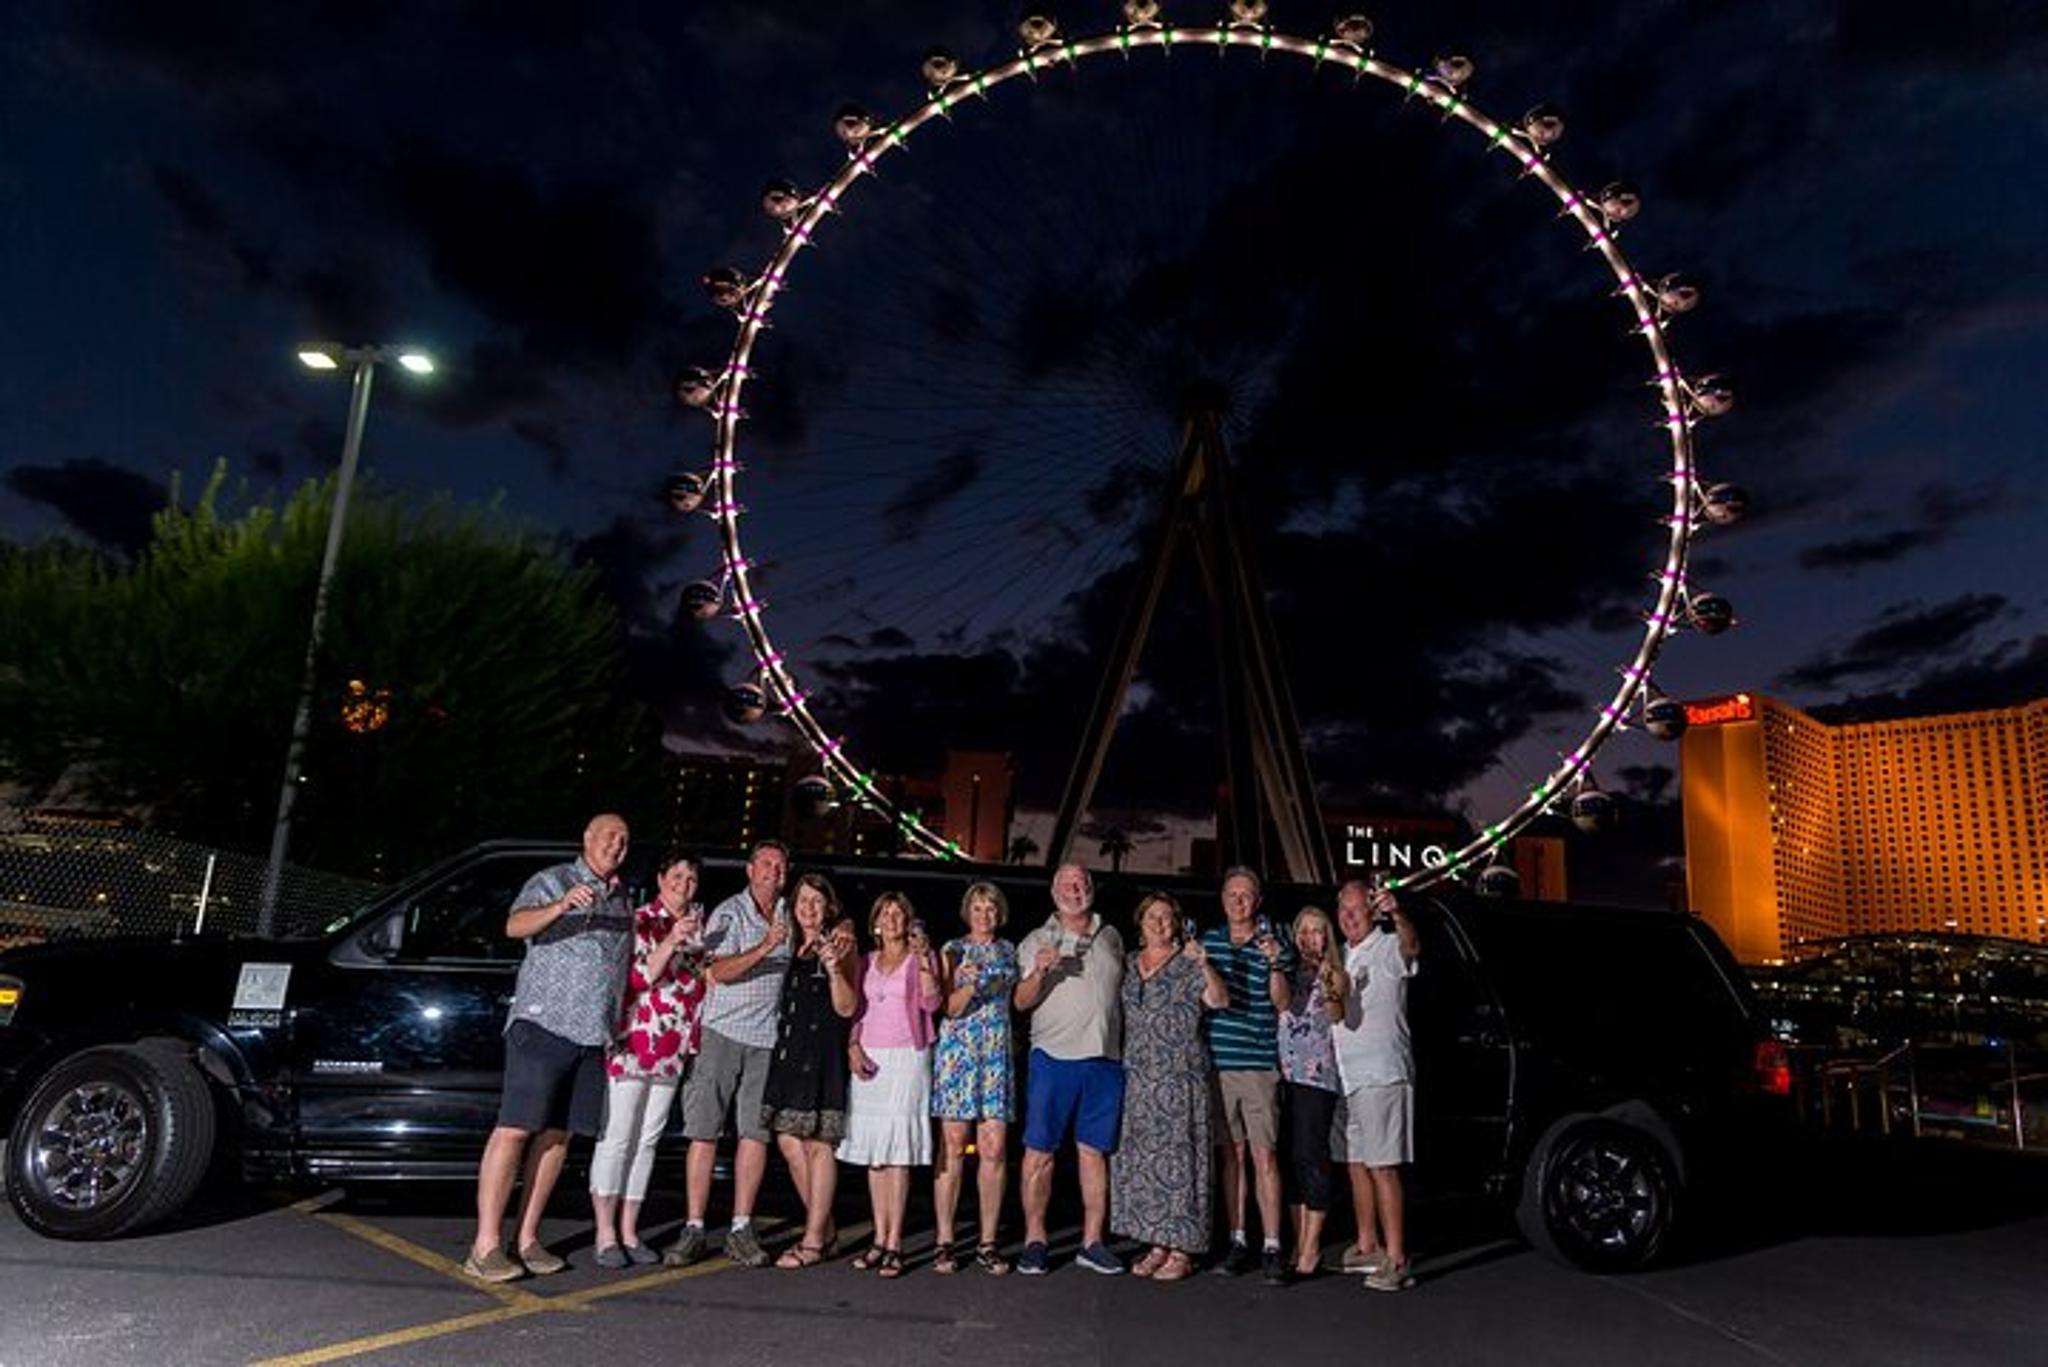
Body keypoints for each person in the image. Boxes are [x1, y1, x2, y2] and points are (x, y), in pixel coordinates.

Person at [465, 813, 633, 1282]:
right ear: (586, 838)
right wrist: (561, 905)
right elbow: (514, 926)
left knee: (558, 1136)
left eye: (623, 840)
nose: (616, 845)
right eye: (608, 836)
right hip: (543, 1026)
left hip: (592, 1036)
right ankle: (484, 1246)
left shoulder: (622, 899)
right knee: (516, 1129)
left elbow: (620, 969)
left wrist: (614, 1026)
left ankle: (527, 1239)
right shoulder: (552, 880)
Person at [669, 839, 791, 1268]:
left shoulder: (790, 914)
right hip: (722, 1032)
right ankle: (694, 1227)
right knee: (705, 1130)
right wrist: (764, 947)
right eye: (765, 864)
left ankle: (741, 1227)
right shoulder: (729, 912)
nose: (773, 872)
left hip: (765, 1040)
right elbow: (715, 971)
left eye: (780, 866)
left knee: (754, 1135)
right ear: (750, 870)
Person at [589, 851, 708, 1269]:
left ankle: (629, 1228)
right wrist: (672, 940)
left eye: (691, 878)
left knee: (648, 1139)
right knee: (618, 1135)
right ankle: (604, 1232)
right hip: (636, 1039)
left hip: (673, 1046)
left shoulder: (699, 928)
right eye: (676, 875)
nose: (683, 884)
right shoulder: (641, 919)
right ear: (660, 879)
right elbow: (637, 978)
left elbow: (698, 987)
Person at [1013, 862, 1126, 1276]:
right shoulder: (1035, 940)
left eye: (1081, 883)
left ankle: (1092, 1242)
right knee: (1039, 1152)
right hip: (1053, 1058)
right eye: (1066, 883)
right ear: (1053, 891)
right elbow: (1021, 1002)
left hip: (1104, 1060)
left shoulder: (1110, 936)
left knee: (1094, 1152)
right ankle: (1035, 1239)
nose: (1074, 889)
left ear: (1091, 888)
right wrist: (1041, 971)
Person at [1113, 892, 1230, 1282]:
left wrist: (1205, 964)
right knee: (1145, 1160)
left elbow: (1219, 1000)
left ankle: (1182, 1247)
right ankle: (1156, 1242)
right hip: (1140, 1078)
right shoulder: (1129, 964)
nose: (1160, 924)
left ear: (1177, 924)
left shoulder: (1188, 962)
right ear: (1141, 923)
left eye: (1167, 918)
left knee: (1181, 1160)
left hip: (1180, 1074)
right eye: (1152, 917)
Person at [759, 872, 860, 1269]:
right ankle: (827, 1227)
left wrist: (834, 968)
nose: (809, 908)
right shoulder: (787, 942)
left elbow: (848, 1007)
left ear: (830, 908)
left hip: (823, 1052)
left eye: (818, 902)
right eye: (803, 900)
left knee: (819, 1144)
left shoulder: (841, 943)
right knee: (787, 1139)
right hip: (789, 1050)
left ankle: (814, 1238)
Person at [1200, 866, 1296, 1282]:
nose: (1239, 902)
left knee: (1265, 1155)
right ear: (1223, 899)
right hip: (1218, 1062)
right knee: (1231, 1154)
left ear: (1257, 901)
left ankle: (1273, 1243)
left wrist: (1275, 963)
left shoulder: (1276, 942)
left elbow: (1282, 1002)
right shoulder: (1209, 941)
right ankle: (1238, 1239)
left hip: (1258, 1064)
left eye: (1246, 895)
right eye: (1232, 894)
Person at [840, 891, 943, 1277]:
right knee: (875, 1153)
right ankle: (879, 1237)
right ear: (877, 923)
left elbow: (932, 1006)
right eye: (886, 912)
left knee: (897, 1150)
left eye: (900, 912)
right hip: (870, 1056)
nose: (893, 918)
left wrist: (925, 962)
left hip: (907, 1059)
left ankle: (895, 1242)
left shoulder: (921, 958)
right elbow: (855, 1010)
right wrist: (852, 1046)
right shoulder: (864, 960)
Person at [1330, 878, 1420, 1292]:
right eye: (1342, 910)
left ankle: (1397, 1257)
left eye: (1355, 910)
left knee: (1383, 1166)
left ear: (1372, 911)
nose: (1348, 917)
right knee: (1357, 1163)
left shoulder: (1386, 946)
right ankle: (1368, 1244)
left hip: (1382, 1074)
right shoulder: (1344, 955)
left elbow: (1412, 947)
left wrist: (1398, 913)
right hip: (1350, 1078)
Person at [931, 881, 1019, 1276]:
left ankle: (988, 1241)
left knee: (994, 1146)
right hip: (959, 1055)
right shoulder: (952, 950)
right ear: (968, 911)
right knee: (953, 1144)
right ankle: (945, 1241)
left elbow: (1015, 1000)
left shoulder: (1009, 951)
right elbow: (948, 1008)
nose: (985, 915)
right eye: (978, 908)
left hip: (995, 1056)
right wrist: (966, 982)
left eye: (991, 908)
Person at [1277, 905, 1348, 1281]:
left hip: (1316, 1077)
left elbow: (1337, 1013)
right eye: (1302, 930)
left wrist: (1330, 983)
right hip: (1283, 1075)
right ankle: (1297, 1241)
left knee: (1311, 1157)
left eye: (1317, 931)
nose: (1309, 937)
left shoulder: (1335, 973)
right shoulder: (1287, 972)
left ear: (1327, 937)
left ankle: (1312, 1247)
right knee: (1289, 1160)